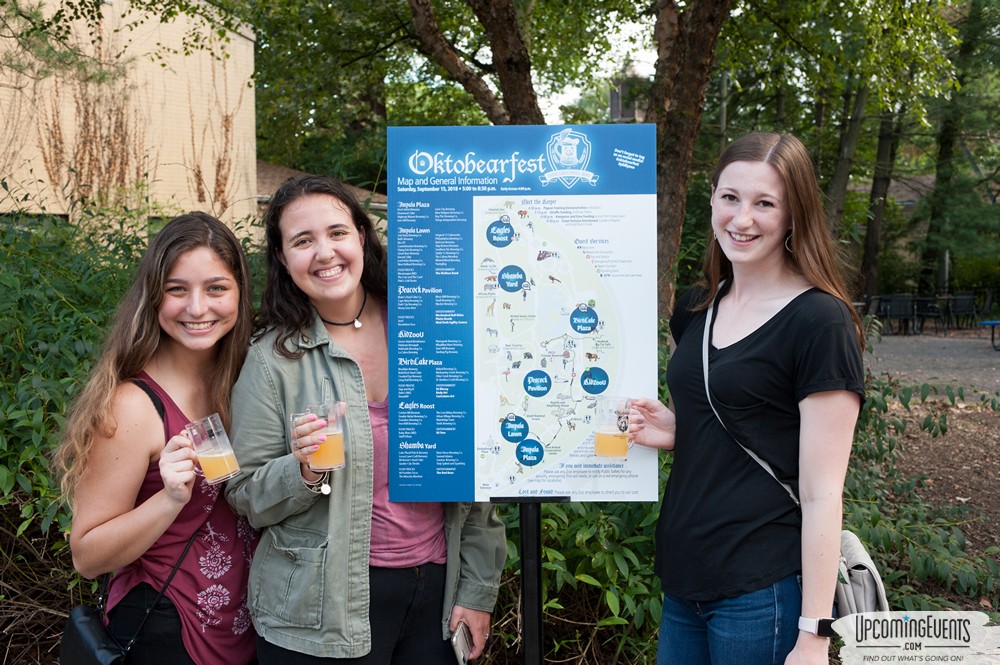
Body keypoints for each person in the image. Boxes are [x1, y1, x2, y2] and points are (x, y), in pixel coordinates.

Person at [225, 175, 506, 664]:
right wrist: (304, 470)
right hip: (317, 611)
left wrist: (477, 590)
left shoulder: (429, 326)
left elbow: (473, 476)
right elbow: (244, 495)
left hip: (433, 596)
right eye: (302, 241)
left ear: (361, 236)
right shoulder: (272, 360)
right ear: (283, 259)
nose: (324, 252)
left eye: (336, 232)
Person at [629, 132, 865, 665]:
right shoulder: (697, 307)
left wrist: (814, 632)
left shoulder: (818, 322)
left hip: (764, 592)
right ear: (712, 197)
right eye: (731, 197)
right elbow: (746, 419)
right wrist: (680, 429)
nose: (742, 219)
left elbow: (824, 491)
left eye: (765, 203)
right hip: (685, 583)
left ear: (792, 215)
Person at [52, 212, 258, 665]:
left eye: (216, 288)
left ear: (240, 293)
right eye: (177, 289)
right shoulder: (133, 405)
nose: (198, 308)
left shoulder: (249, 381)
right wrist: (168, 499)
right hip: (166, 630)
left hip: (248, 634)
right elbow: (87, 556)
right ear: (154, 296)